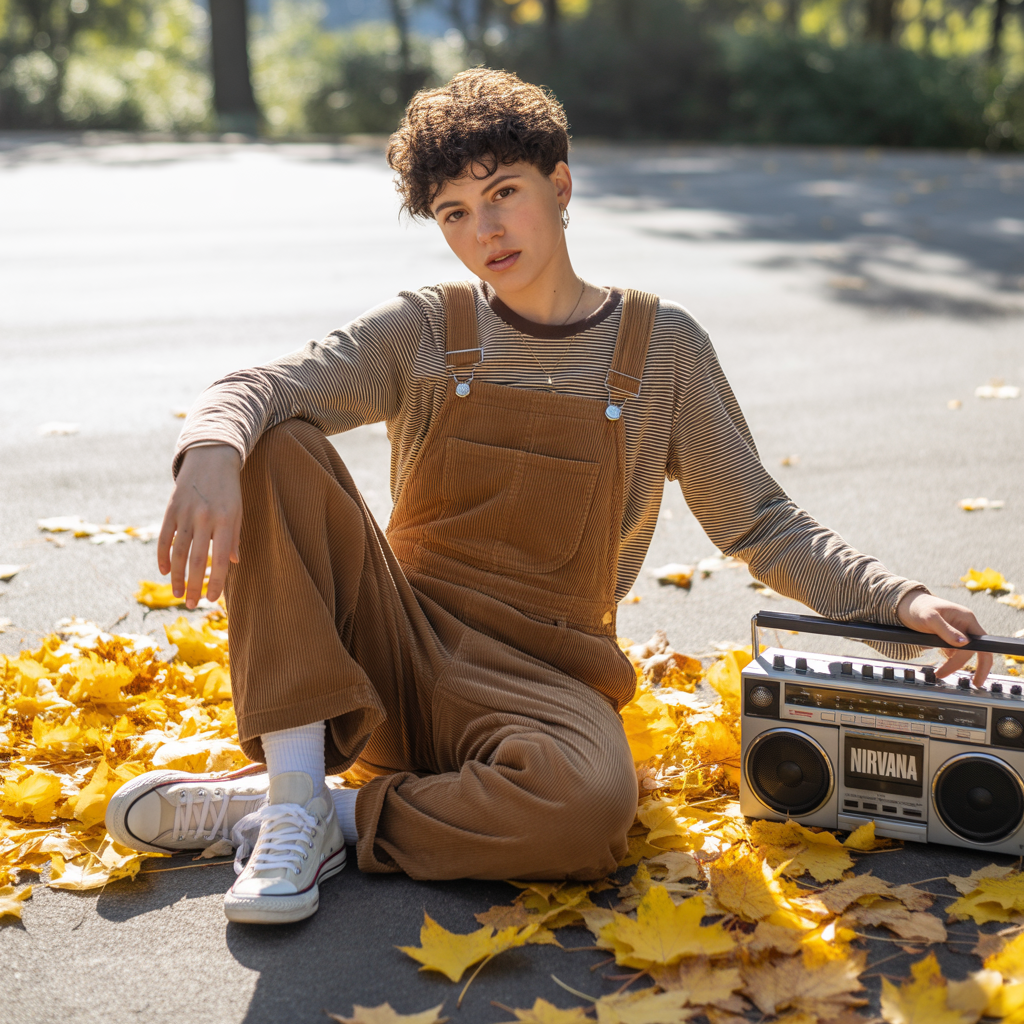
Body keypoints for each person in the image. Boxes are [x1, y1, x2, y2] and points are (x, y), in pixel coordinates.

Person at [105, 69, 990, 925]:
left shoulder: (662, 347)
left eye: (504, 193)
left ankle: (315, 818)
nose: (485, 229)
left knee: (593, 808)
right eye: (455, 212)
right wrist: (214, 446)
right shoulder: (426, 328)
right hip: (390, 660)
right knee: (275, 439)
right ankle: (296, 795)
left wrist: (897, 599)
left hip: (541, 693)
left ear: (560, 186)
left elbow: (760, 521)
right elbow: (262, 383)